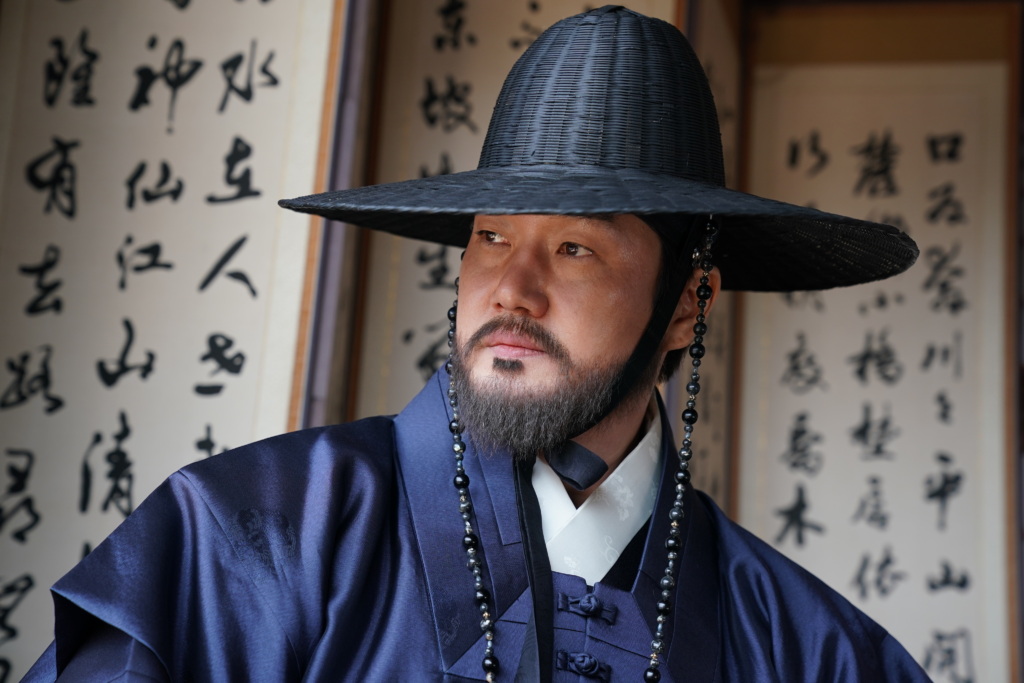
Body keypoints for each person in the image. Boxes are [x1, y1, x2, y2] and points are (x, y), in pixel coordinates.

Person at [24, 6, 928, 682]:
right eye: (490, 237)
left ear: (690, 303)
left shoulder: (812, 650)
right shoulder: (247, 543)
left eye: (574, 249)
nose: (510, 288)